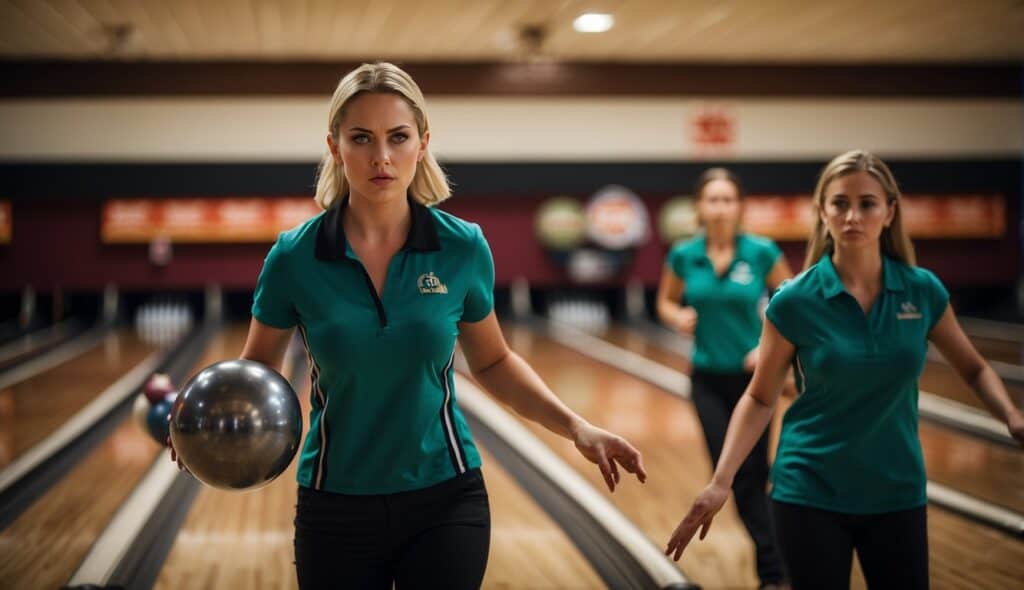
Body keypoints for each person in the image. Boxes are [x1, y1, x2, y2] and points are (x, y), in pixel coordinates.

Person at [171, 62, 647, 590]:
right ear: (334, 146)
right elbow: (256, 374)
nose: (381, 157)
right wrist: (208, 427)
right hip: (335, 502)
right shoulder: (294, 257)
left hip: (447, 497)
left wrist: (576, 426)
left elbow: (494, 361)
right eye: (361, 138)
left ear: (422, 143)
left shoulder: (461, 246)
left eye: (398, 137)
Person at [664, 150, 1024, 589]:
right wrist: (720, 482)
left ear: (890, 211)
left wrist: (1011, 415)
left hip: (897, 489)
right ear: (822, 212)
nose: (853, 215)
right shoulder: (794, 300)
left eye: (867, 203)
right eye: (839, 203)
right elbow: (760, 397)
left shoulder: (922, 291)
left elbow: (974, 367)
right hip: (807, 489)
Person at [656, 167, 792, 589]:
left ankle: (775, 572)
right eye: (712, 199)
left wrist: (768, 348)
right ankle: (778, 570)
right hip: (706, 381)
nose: (720, 207)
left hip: (755, 382)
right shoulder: (683, 254)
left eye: (728, 199)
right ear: (699, 206)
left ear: (739, 206)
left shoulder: (762, 252)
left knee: (754, 474)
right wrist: (677, 315)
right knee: (732, 473)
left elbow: (792, 303)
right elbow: (665, 301)